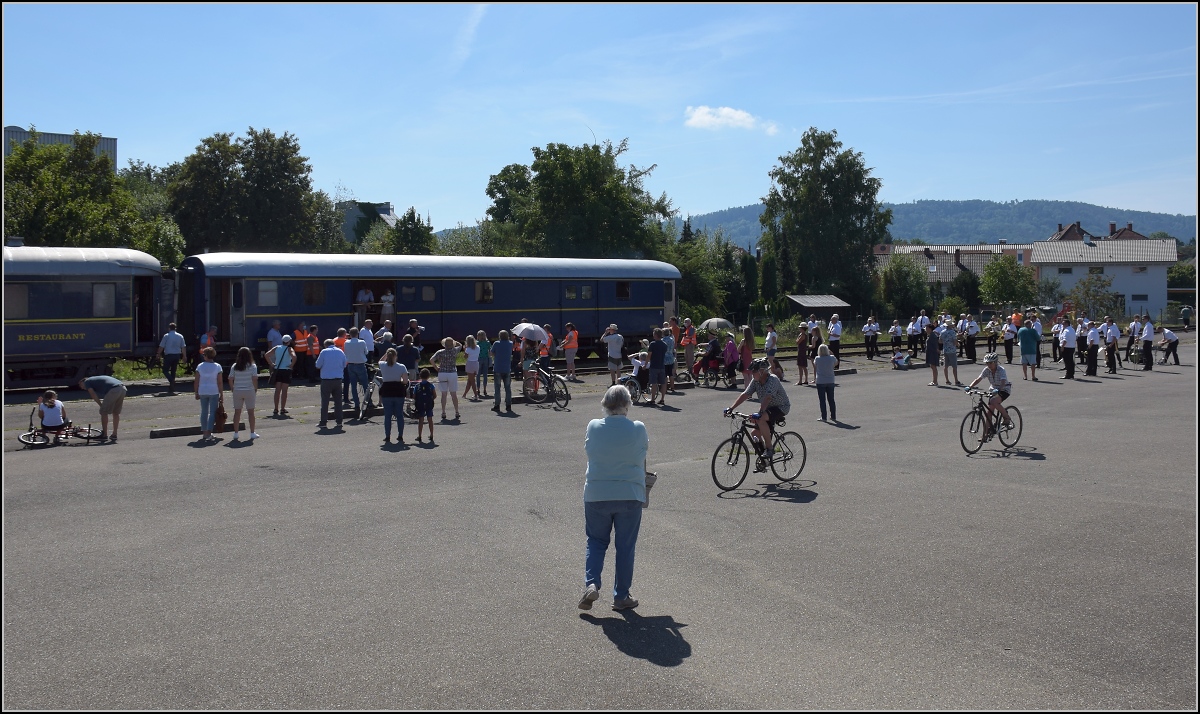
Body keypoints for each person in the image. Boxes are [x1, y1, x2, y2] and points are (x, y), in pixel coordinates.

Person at [578, 384, 650, 612]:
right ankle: (621, 596)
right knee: (625, 546)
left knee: (596, 541)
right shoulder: (638, 428)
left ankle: (592, 583)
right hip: (629, 494)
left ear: (605, 404)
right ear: (628, 404)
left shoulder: (594, 426)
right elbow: (642, 457)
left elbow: (589, 451)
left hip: (597, 493)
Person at [724, 358, 791, 466]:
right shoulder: (756, 381)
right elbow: (745, 394)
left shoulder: (772, 380)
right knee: (755, 434)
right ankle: (765, 461)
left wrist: (760, 413)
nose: (752, 373)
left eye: (754, 371)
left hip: (781, 407)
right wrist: (731, 408)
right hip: (768, 408)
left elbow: (768, 397)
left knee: (761, 418)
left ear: (762, 371)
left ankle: (769, 449)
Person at [966, 353, 1014, 432]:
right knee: (989, 413)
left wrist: (999, 390)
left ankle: (1007, 417)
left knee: (993, 401)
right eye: (987, 363)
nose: (989, 365)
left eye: (991, 363)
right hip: (993, 390)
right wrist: (970, 387)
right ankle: (985, 434)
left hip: (1004, 389)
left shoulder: (1001, 370)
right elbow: (978, 379)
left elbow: (1003, 381)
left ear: (995, 362)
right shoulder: (986, 370)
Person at [227, 346, 260, 441]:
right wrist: (255, 389)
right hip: (249, 390)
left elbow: (230, 378)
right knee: (251, 412)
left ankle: (236, 433)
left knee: (237, 412)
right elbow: (254, 379)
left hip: (237, 390)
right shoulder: (252, 366)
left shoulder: (235, 366)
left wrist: (233, 388)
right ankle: (252, 432)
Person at [378, 347, 410, 444]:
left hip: (387, 391)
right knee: (399, 414)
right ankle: (400, 435)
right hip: (398, 391)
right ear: (396, 356)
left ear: (387, 356)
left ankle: (387, 436)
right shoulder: (401, 367)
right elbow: (405, 381)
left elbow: (380, 360)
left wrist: (386, 354)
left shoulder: (383, 365)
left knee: (387, 416)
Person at [315, 337, 348, 429]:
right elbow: (345, 364)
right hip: (338, 380)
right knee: (338, 402)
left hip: (326, 380)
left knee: (325, 402)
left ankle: (323, 422)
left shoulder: (324, 352)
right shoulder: (340, 352)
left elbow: (318, 365)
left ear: (325, 345)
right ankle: (339, 421)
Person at [192, 347, 223, 442]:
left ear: (206, 356)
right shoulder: (217, 366)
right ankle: (209, 431)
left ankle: (204, 432)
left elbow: (196, 381)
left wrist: (196, 392)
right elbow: (220, 382)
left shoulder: (200, 366)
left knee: (204, 412)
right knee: (212, 412)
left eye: (204, 354)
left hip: (202, 391)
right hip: (213, 391)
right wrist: (221, 393)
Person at [432, 336, 462, 420]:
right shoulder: (455, 351)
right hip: (452, 373)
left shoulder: (440, 352)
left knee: (444, 394)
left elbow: (431, 359)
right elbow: (460, 345)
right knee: (453, 394)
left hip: (442, 373)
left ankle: (443, 412)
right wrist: (455, 342)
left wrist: (436, 367)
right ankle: (456, 411)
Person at [343, 327, 371, 413]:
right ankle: (368, 403)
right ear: (357, 334)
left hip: (351, 365)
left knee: (353, 386)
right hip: (361, 365)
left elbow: (346, 353)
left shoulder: (346, 343)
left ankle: (356, 404)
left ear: (350, 334)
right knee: (365, 385)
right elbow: (366, 352)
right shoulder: (362, 342)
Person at [266, 334, 295, 416]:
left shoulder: (276, 348)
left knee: (277, 390)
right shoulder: (289, 349)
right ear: (289, 342)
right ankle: (282, 408)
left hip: (277, 370)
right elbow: (294, 357)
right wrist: (291, 365)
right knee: (284, 391)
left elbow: (267, 355)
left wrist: (271, 364)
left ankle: (275, 408)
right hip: (286, 370)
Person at [156, 322, 187, 394]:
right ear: (175, 328)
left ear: (169, 328)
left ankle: (171, 380)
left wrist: (158, 354)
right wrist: (184, 356)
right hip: (177, 355)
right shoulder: (180, 336)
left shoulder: (166, 336)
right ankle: (171, 387)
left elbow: (162, 346)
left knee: (165, 370)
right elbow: (183, 347)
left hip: (168, 355)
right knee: (173, 371)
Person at [812, 343, 837, 422]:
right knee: (831, 399)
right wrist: (831, 353)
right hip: (830, 380)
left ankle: (824, 417)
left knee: (822, 400)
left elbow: (815, 365)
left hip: (820, 381)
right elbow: (836, 363)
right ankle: (833, 416)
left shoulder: (817, 358)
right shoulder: (832, 358)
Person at [491, 329, 514, 412]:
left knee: (497, 388)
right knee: (507, 388)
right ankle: (508, 405)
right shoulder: (510, 344)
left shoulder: (496, 343)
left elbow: (492, 353)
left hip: (497, 368)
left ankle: (497, 405)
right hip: (507, 368)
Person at [413, 368, 436, 442]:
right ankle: (431, 434)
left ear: (420, 376)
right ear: (428, 376)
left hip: (420, 405)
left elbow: (414, 396)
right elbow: (434, 395)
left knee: (421, 420)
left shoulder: (417, 386)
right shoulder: (431, 385)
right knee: (430, 419)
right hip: (429, 404)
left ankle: (419, 436)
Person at [647, 328, 668, 406]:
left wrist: (645, 364)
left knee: (654, 383)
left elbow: (649, 355)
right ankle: (662, 399)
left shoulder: (652, 344)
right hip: (662, 366)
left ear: (655, 335)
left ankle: (653, 399)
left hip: (654, 366)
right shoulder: (664, 345)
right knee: (663, 383)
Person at [460, 335, 481, 400]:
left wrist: (464, 350)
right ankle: (464, 394)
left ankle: (476, 395)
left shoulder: (468, 349)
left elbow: (465, 357)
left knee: (472, 381)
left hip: (470, 364)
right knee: (470, 380)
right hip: (476, 363)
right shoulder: (478, 347)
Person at [940, 320, 961, 386]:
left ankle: (947, 380)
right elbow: (955, 341)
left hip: (945, 350)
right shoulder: (952, 332)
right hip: (952, 350)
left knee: (946, 366)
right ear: (950, 326)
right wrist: (958, 344)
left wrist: (946, 342)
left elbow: (940, 341)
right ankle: (956, 380)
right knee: (954, 366)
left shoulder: (943, 332)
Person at [660, 322, 676, 392]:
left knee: (665, 375)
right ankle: (672, 387)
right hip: (671, 357)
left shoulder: (662, 340)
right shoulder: (672, 339)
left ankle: (665, 388)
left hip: (664, 359)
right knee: (671, 374)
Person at [476, 330, 492, 397]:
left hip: (479, 359)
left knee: (478, 375)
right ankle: (485, 389)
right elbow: (490, 351)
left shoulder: (477, 343)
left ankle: (478, 389)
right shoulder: (487, 343)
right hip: (486, 359)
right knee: (485, 375)